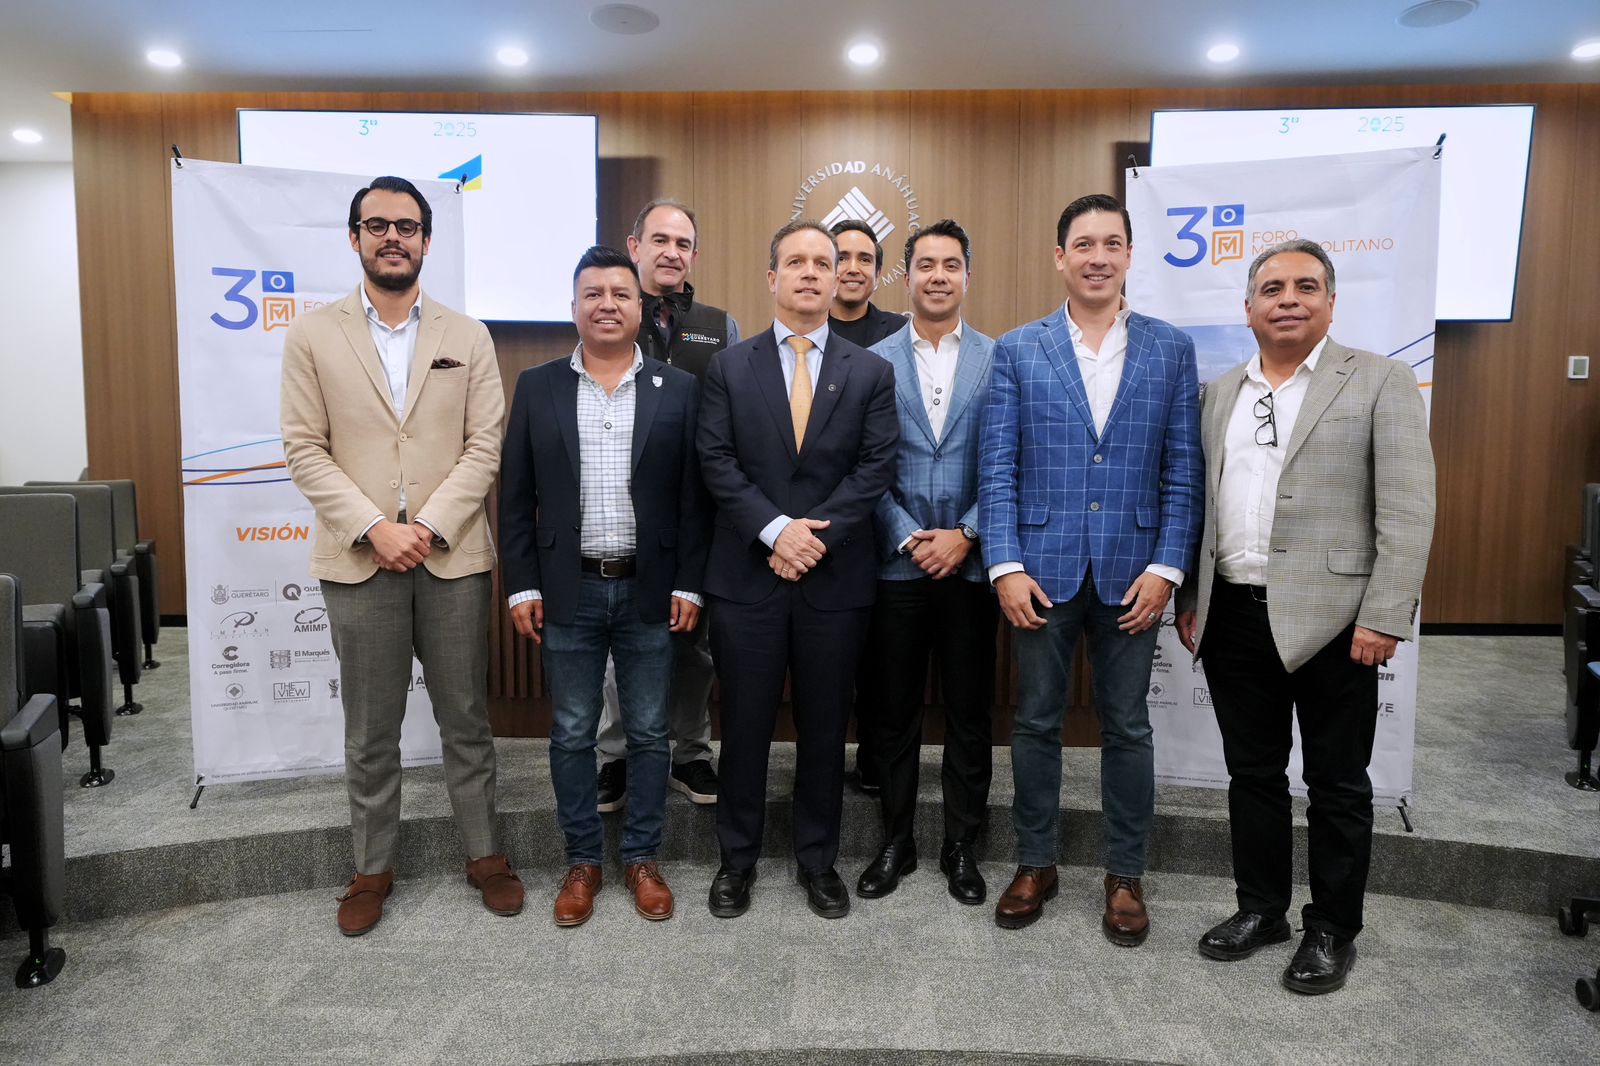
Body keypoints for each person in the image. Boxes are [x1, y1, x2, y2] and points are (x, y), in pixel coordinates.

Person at [1175, 240, 1435, 995]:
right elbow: (1199, 505)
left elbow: (1409, 510)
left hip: (1339, 621)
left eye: (1305, 286)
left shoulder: (1381, 380)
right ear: (1248, 308)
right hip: (1233, 613)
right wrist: (1192, 598)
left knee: (1337, 782)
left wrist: (1385, 614)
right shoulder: (1219, 393)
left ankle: (1331, 928)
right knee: (1252, 775)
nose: (1288, 299)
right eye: (1272, 288)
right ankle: (1262, 909)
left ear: (1330, 301)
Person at [280, 175, 520, 936]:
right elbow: (304, 450)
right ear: (354, 237)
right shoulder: (312, 335)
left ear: (426, 240)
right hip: (360, 561)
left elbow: (485, 444)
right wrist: (375, 528)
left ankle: (485, 854)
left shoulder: (467, 335)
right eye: (377, 225)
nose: (393, 237)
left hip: (451, 558)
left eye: (407, 226)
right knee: (370, 729)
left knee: (466, 720)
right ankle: (371, 868)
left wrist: (430, 525)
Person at [976, 193, 1202, 944]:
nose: (1097, 256)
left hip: (1135, 573)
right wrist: (1004, 564)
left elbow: (1183, 470)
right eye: (1083, 243)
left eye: (1111, 243)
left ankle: (1125, 874)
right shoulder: (1018, 349)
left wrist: (1168, 567)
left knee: (1128, 726)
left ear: (1130, 255)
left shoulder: (1171, 349)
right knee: (1036, 720)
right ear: (1060, 257)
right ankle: (1035, 862)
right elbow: (998, 468)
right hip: (1038, 570)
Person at [499, 245, 709, 927]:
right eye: (593, 294)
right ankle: (583, 861)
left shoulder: (679, 389)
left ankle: (642, 857)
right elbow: (516, 497)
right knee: (571, 732)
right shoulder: (538, 386)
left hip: (652, 590)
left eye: (620, 294)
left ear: (641, 308)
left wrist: (691, 583)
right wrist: (521, 585)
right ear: (574, 308)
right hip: (569, 588)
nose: (607, 305)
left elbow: (694, 500)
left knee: (649, 732)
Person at [697, 220, 899, 920]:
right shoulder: (730, 367)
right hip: (746, 578)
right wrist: (777, 531)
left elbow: (875, 467)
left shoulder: (870, 371)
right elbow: (716, 461)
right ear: (772, 277)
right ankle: (736, 861)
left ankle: (818, 860)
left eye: (823, 262)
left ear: (839, 276)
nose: (811, 272)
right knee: (744, 727)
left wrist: (812, 539)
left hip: (833, 579)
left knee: (824, 728)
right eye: (797, 262)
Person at [856, 219, 998, 905]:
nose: (938, 276)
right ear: (906, 276)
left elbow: (1014, 461)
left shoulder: (1002, 358)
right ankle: (897, 840)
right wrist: (911, 536)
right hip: (897, 566)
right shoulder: (870, 361)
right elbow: (862, 466)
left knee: (970, 712)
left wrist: (967, 532)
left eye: (950, 265)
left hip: (972, 567)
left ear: (967, 275)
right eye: (925, 265)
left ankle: (961, 845)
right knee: (893, 713)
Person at [589, 198, 739, 812]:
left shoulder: (719, 325)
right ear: (635, 246)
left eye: (682, 243)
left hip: (701, 509)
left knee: (694, 642)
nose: (671, 252)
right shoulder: (612, 314)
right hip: (623, 509)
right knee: (620, 641)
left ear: (694, 254)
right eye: (660, 240)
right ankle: (616, 757)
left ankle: (691, 753)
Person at [826, 217, 905, 792]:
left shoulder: (900, 334)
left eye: (864, 259)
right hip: (819, 526)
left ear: (879, 273)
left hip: (888, 524)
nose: (852, 268)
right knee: (830, 663)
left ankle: (878, 762)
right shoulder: (799, 330)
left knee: (884, 660)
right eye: (842, 257)